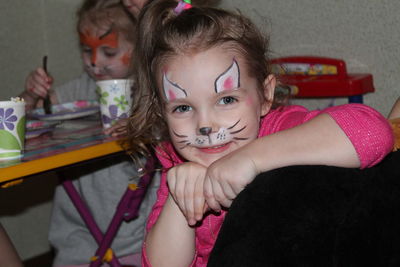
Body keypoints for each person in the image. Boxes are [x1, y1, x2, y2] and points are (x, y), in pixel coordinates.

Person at [123, 0, 395, 266]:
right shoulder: (178, 164)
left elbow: (374, 132)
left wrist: (252, 158)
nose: (205, 126)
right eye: (183, 107)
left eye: (227, 100)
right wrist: (179, 199)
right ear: (161, 112)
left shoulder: (280, 129)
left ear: (265, 95)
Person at [20, 1, 159, 266]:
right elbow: (32, 119)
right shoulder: (81, 88)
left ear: (139, 49)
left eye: (109, 51)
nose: (95, 63)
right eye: (87, 51)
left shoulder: (151, 90)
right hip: (81, 236)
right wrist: (30, 95)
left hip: (138, 233)